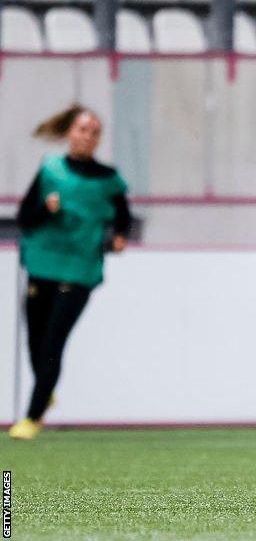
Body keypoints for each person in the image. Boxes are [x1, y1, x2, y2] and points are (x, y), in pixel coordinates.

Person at [8, 104, 131, 441]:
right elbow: (24, 217)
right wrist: (45, 212)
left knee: (53, 343)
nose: (87, 136)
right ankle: (45, 391)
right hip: (43, 262)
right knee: (35, 339)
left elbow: (122, 216)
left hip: (79, 268)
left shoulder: (109, 180)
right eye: (82, 129)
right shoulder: (51, 169)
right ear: (69, 133)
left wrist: (120, 237)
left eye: (94, 132)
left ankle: (32, 418)